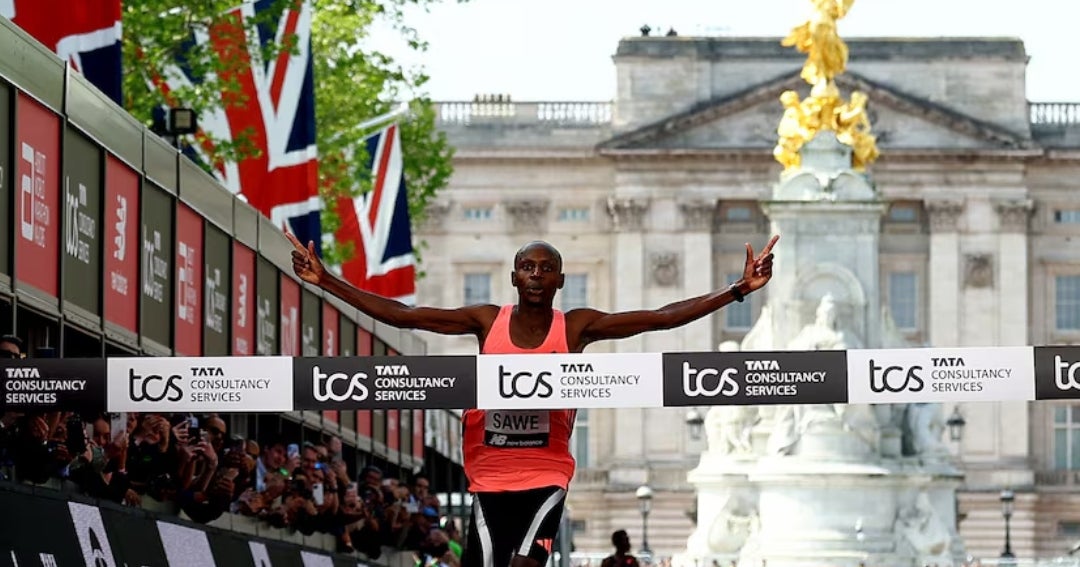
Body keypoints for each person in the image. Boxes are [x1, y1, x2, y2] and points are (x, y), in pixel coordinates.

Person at [286, 232, 778, 567]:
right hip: (487, 474)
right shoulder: (485, 320)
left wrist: (738, 290)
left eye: (547, 268)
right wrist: (325, 279)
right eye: (527, 267)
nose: (537, 274)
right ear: (515, 278)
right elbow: (403, 315)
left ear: (560, 280)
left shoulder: (577, 326)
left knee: (525, 563)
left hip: (546, 473)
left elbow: (659, 317)